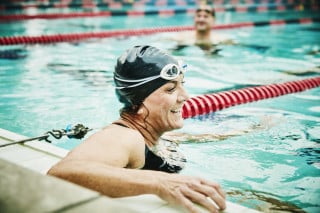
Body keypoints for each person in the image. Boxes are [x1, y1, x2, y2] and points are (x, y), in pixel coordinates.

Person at [47, 45, 226, 213]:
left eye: (182, 84)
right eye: (171, 89)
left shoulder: (153, 134)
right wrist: (160, 183)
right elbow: (61, 173)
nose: (185, 96)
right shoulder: (125, 136)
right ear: (138, 103)